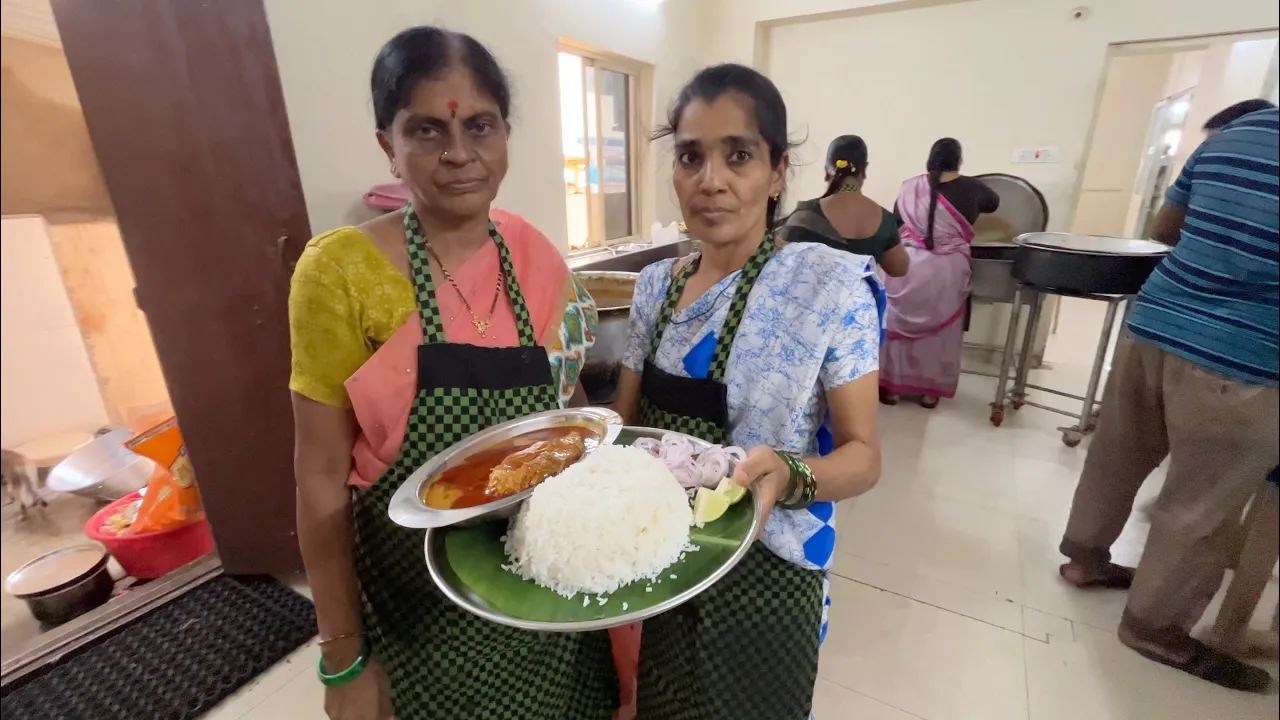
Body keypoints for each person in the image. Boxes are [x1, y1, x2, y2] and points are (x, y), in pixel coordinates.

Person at [288, 27, 616, 720]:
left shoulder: (537, 257)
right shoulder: (341, 274)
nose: (459, 154)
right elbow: (318, 476)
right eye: (428, 130)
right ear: (389, 144)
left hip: (546, 600)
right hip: (420, 620)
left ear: (505, 134)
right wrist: (342, 654)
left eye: (480, 126)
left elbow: (574, 417)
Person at [612, 64, 884, 720]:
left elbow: (863, 456)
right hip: (662, 560)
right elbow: (621, 430)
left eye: (738, 155)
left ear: (778, 170)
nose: (712, 180)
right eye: (689, 157)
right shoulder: (655, 287)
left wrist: (787, 475)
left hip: (770, 566)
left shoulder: (830, 288)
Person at [1056, 105, 1279, 692]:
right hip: (1243, 357)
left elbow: (1164, 227)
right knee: (1201, 504)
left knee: (1117, 453)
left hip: (1155, 325)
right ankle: (1154, 628)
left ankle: (1084, 559)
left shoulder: (1239, 135)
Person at [879, 138, 999, 408]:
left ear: (930, 159)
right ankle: (929, 392)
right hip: (948, 270)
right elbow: (994, 202)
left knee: (897, 328)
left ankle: (892, 389)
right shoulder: (973, 188)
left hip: (906, 266)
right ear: (959, 160)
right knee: (939, 334)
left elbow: (896, 220)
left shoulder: (910, 188)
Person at [776, 135, 910, 276]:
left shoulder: (805, 216)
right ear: (864, 170)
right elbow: (899, 269)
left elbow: (778, 262)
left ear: (827, 173)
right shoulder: (884, 219)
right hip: (861, 298)